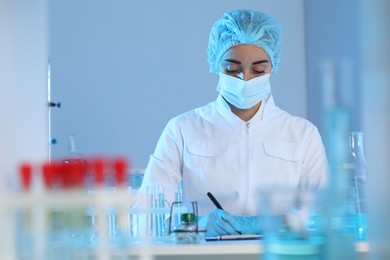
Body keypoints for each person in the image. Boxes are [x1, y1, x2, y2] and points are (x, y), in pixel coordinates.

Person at [138, 9, 328, 236]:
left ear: (273, 68)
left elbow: (324, 214)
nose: (245, 79)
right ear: (216, 66)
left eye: (258, 70)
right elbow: (146, 216)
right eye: (232, 69)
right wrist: (197, 224)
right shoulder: (182, 129)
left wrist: (278, 223)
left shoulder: (303, 134)